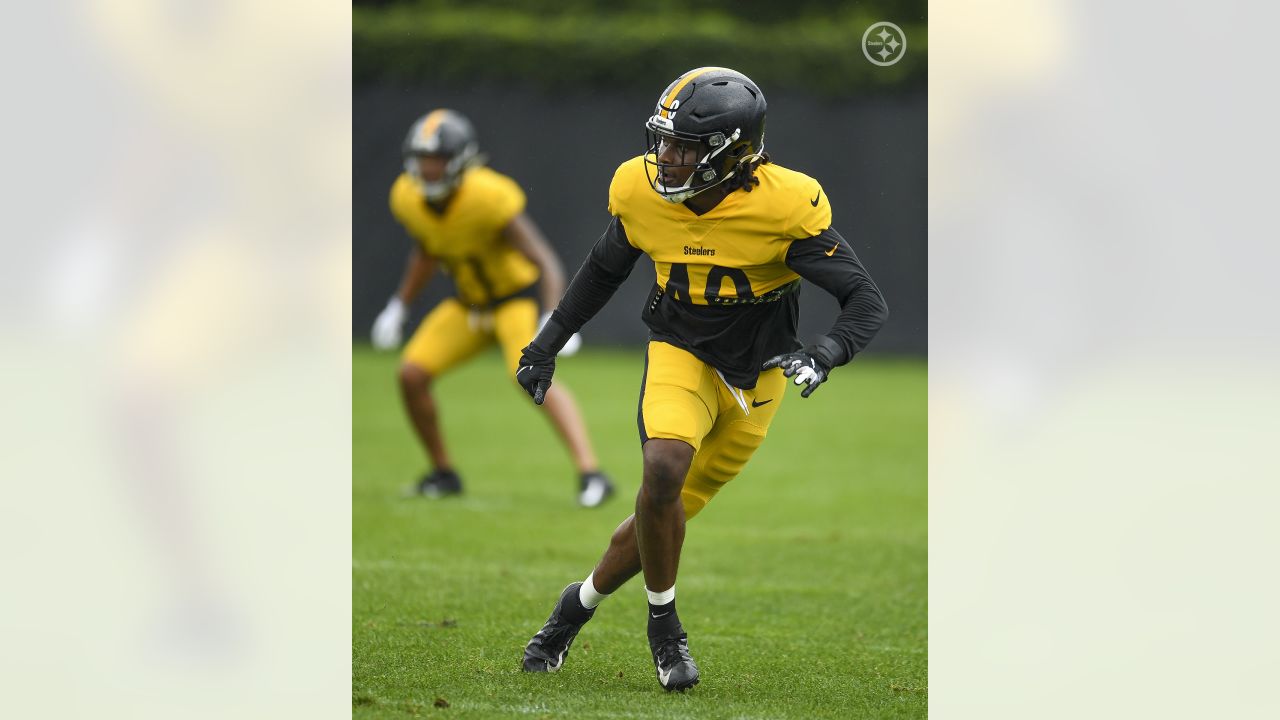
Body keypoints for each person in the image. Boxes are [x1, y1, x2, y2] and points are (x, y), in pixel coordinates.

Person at [514, 68, 889, 691]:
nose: (667, 158)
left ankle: (572, 609)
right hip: (680, 352)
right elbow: (603, 270)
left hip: (759, 378)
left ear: (735, 153)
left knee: (658, 519)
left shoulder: (782, 204)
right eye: (663, 142)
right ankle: (666, 630)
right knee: (662, 471)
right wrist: (546, 345)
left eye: (685, 147)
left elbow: (865, 300)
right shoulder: (640, 191)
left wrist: (824, 353)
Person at [371, 108, 615, 507]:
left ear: (461, 160)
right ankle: (443, 473)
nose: (430, 169)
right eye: (424, 159)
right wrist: (399, 305)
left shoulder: (488, 196)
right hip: (466, 305)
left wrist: (554, 317)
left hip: (512, 301)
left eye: (438, 160)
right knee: (411, 374)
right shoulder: (407, 196)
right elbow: (427, 251)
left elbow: (545, 260)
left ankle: (592, 474)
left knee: (530, 374)